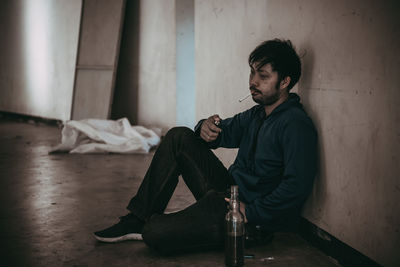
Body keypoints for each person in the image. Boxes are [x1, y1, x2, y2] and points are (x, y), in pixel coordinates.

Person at [94, 39, 318, 254]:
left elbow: (297, 184)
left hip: (251, 219)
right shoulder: (257, 114)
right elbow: (222, 132)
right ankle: (139, 217)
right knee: (178, 136)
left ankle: (173, 224)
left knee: (155, 233)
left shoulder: (295, 124)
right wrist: (204, 127)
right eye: (252, 72)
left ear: (285, 82)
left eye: (263, 76)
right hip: (229, 194)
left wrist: (253, 213)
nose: (253, 82)